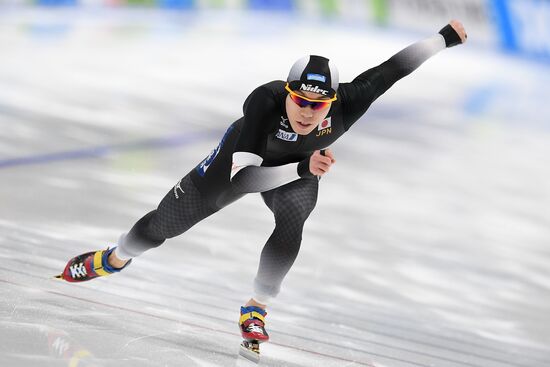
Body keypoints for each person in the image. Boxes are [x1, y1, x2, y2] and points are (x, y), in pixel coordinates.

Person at [57, 20, 467, 355]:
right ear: (287, 93)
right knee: (163, 227)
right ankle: (115, 257)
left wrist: (444, 37)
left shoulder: (349, 100)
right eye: (301, 101)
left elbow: (394, 67)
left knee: (292, 220)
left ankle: (256, 307)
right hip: (239, 164)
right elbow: (246, 181)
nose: (308, 112)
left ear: (333, 100)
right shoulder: (264, 103)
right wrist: (304, 166)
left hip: (298, 171)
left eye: (318, 105)